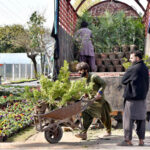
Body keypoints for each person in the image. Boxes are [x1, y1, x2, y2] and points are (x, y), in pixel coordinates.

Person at [118, 50, 149, 146]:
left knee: (128, 119)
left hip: (132, 98)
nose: (130, 59)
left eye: (131, 58)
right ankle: (141, 140)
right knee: (141, 120)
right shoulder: (145, 68)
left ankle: (128, 140)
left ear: (137, 58)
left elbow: (123, 80)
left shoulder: (133, 68)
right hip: (142, 97)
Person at [75, 62, 112, 140]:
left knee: (103, 117)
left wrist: (99, 93)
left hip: (99, 101)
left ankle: (84, 133)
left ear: (85, 70)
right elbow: (88, 89)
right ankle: (84, 133)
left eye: (80, 70)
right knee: (103, 117)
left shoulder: (94, 77)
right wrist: (85, 95)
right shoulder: (86, 79)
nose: (79, 72)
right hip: (92, 101)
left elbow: (103, 83)